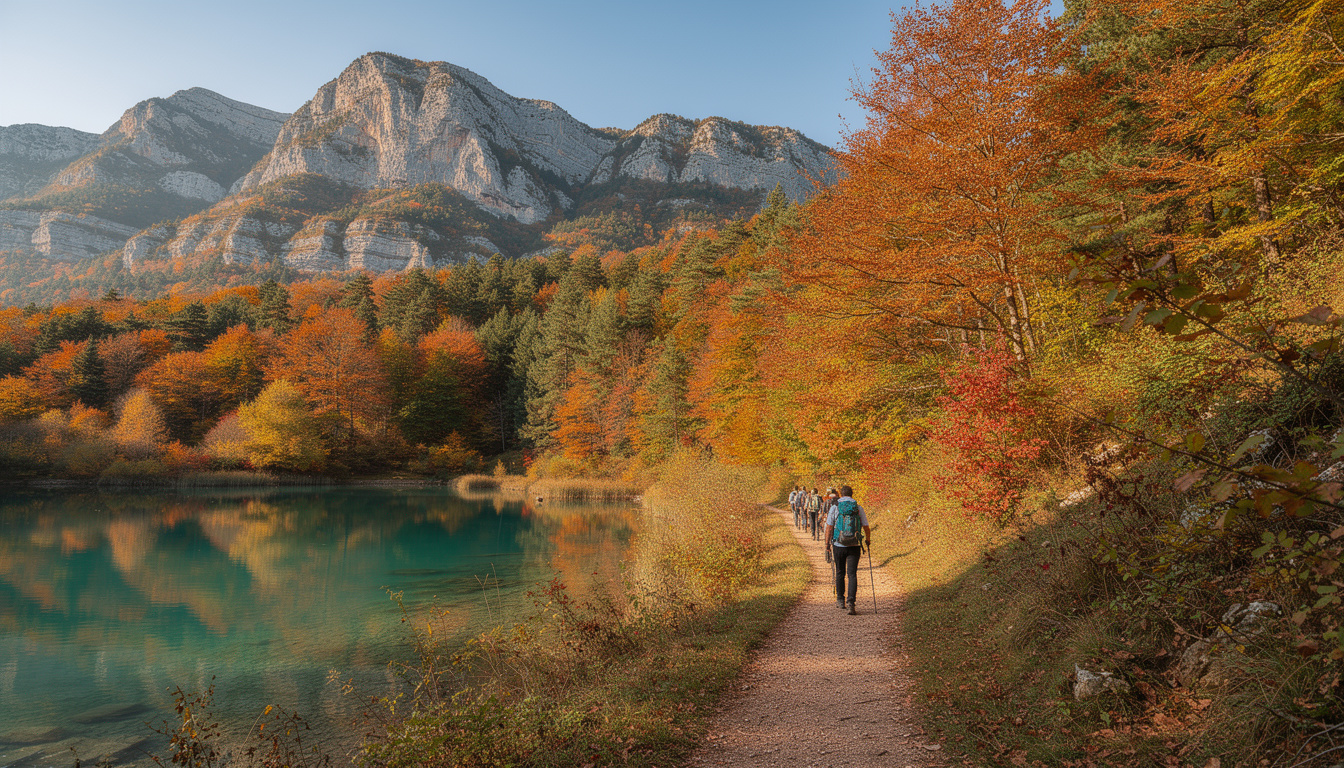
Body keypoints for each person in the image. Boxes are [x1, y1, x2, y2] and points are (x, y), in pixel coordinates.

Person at [824, 485, 870, 615]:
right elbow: (866, 526)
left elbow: (829, 527)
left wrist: (827, 544)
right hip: (854, 545)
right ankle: (851, 603)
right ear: (852, 494)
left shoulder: (835, 507)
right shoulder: (858, 508)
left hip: (838, 545)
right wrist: (868, 540)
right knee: (852, 574)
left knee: (839, 572)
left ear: (841, 494)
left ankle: (840, 599)